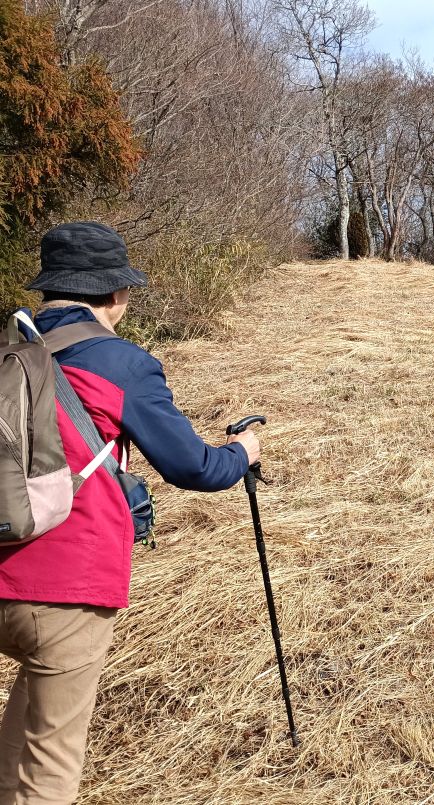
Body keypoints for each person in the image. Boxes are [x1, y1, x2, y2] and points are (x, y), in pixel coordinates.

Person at [0, 221, 260, 805]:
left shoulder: (9, 352)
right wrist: (241, 454)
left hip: (2, 564)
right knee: (50, 770)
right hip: (67, 589)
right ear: (114, 295)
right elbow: (192, 467)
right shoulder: (121, 363)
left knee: (16, 747)